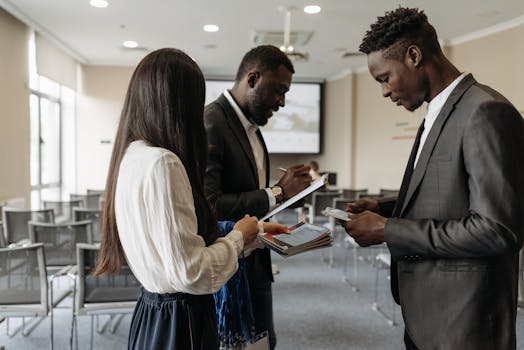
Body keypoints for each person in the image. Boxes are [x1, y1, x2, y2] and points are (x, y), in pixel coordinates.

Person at [342, 7, 524, 350]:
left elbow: (498, 230)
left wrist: (387, 230)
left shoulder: (485, 111)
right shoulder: (438, 112)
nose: (384, 91)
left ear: (414, 56)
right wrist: (384, 208)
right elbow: (449, 193)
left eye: (384, 78)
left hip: (463, 324)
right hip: (426, 316)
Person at [92, 48, 288, 350]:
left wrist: (255, 234)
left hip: (151, 311)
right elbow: (193, 272)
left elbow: (174, 248)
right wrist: (238, 237)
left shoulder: (132, 155)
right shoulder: (164, 163)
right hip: (183, 321)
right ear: (179, 105)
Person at [204, 45, 312, 349]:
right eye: (279, 91)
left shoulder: (250, 126)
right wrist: (277, 192)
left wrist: (288, 197)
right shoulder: (212, 121)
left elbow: (249, 194)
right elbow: (210, 206)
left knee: (265, 343)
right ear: (252, 78)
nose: (282, 102)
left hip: (256, 265)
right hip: (230, 273)